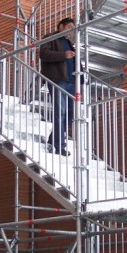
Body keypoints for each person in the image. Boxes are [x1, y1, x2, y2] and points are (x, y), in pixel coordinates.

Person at [39, 17, 79, 156]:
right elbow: (43, 54)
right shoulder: (50, 37)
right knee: (60, 113)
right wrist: (64, 55)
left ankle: (53, 138)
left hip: (72, 82)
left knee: (70, 115)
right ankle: (59, 146)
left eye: (73, 29)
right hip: (58, 80)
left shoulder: (70, 42)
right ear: (61, 27)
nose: (71, 31)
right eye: (69, 27)